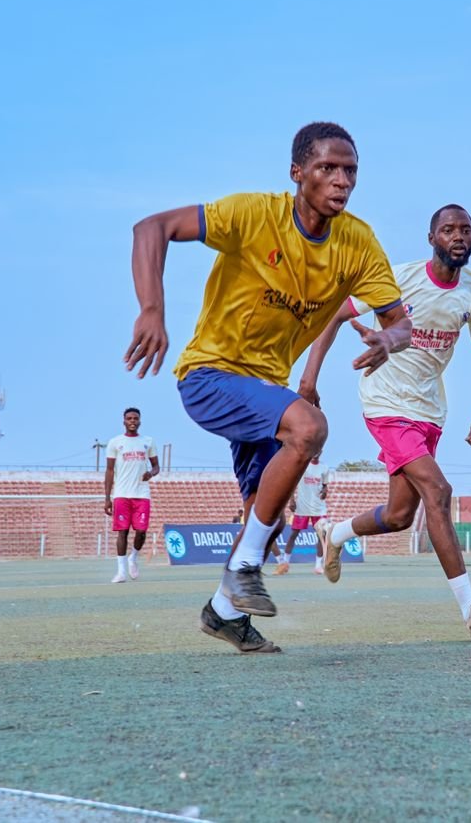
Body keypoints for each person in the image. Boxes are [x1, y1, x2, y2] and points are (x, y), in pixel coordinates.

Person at [124, 121, 412, 653]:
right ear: (298, 173)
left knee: (267, 507)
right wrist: (151, 310)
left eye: (350, 171)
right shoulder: (253, 214)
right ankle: (246, 567)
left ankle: (225, 612)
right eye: (327, 168)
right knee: (309, 425)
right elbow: (151, 228)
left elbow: (400, 319)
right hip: (209, 374)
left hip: (264, 387)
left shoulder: (358, 243)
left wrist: (390, 340)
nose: (341, 181)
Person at [301, 204, 471, 641]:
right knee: (439, 491)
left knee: (398, 516)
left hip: (429, 410)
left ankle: (333, 534)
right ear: (432, 238)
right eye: (448, 230)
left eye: (466, 230)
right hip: (385, 403)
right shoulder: (395, 279)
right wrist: (309, 380)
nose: (458, 237)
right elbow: (334, 314)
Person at [104, 407, 160, 583]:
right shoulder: (115, 442)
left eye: (135, 418)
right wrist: (107, 498)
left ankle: (133, 558)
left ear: (140, 421)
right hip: (121, 494)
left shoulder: (148, 441)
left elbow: (157, 466)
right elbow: (110, 470)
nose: (132, 421)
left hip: (141, 494)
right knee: (122, 532)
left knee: (141, 531)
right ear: (124, 421)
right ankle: (121, 572)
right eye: (129, 418)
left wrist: (150, 474)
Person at [275, 453, 329, 576]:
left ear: (321, 451)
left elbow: (325, 486)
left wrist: (324, 492)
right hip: (302, 507)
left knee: (322, 535)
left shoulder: (324, 467)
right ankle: (285, 563)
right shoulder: (303, 466)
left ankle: (318, 565)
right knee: (294, 534)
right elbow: (293, 483)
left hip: (319, 508)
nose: (315, 453)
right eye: (314, 450)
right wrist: (292, 500)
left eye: (318, 450)